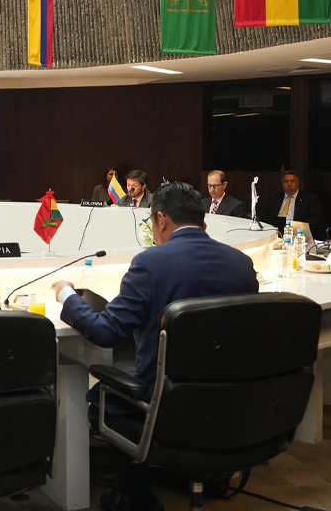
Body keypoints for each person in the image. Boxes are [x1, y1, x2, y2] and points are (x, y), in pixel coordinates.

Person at [53, 182, 258, 511]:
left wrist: (66, 294)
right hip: (227, 401)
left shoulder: (151, 263)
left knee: (102, 398)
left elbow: (105, 332)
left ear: (161, 219)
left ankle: (136, 497)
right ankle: (194, 473)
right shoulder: (241, 264)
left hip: (164, 402)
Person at [256, 170, 324, 238]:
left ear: (298, 182)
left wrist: (298, 227)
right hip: (275, 231)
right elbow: (264, 216)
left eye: (292, 181)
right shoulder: (274, 199)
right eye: (286, 182)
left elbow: (316, 218)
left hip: (298, 233)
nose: (289, 184)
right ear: (282, 184)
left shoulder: (309, 198)